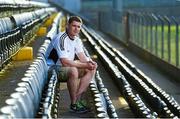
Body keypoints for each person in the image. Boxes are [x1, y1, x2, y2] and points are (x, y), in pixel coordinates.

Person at [46, 16, 97, 113]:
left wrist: (90, 62)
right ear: (67, 25)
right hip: (52, 68)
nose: (76, 29)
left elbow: (82, 57)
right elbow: (64, 62)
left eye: (78, 27)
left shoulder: (77, 40)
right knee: (73, 70)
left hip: (64, 68)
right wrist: (85, 65)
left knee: (91, 69)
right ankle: (74, 104)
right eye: (74, 26)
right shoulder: (61, 38)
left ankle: (77, 100)